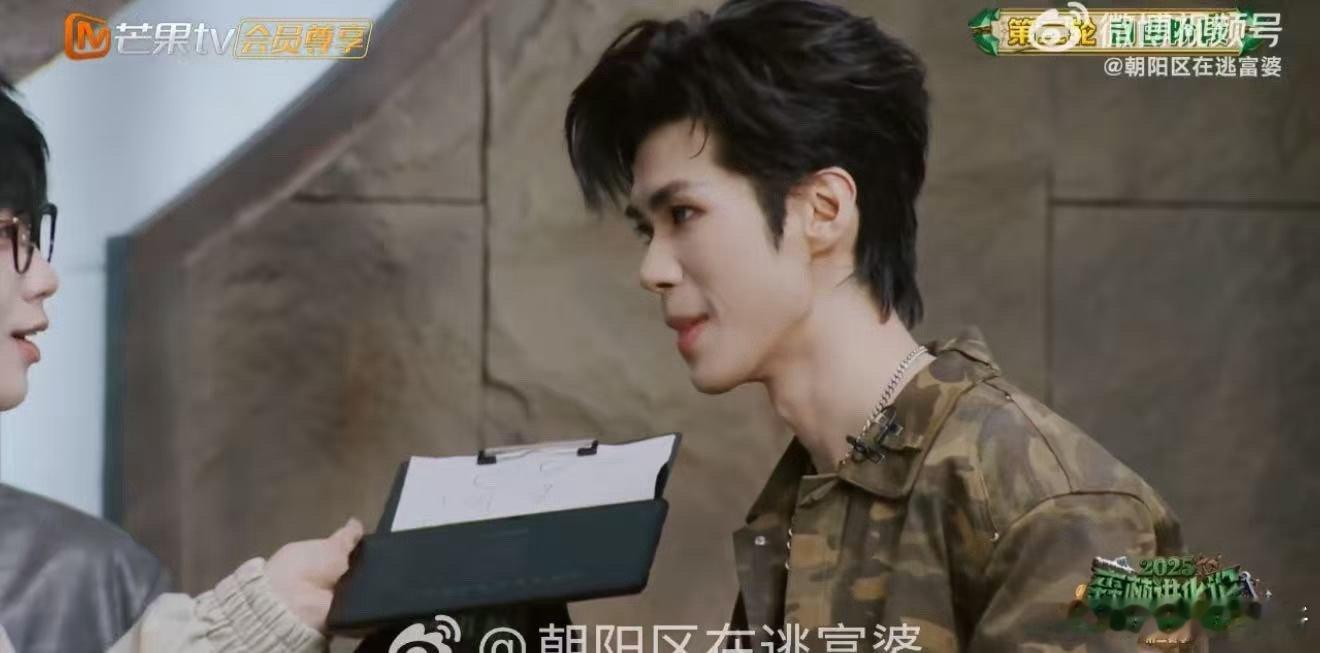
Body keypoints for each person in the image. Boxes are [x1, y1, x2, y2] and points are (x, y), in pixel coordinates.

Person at [560, 0, 1192, 650]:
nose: (653, 269)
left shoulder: (1050, 508)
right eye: (648, 230)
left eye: (683, 214)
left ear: (824, 210)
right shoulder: (809, 496)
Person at [0, 76, 362, 652]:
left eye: (33, 234)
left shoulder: (108, 570)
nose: (44, 277)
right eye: (6, 235)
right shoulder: (97, 572)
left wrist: (263, 617)